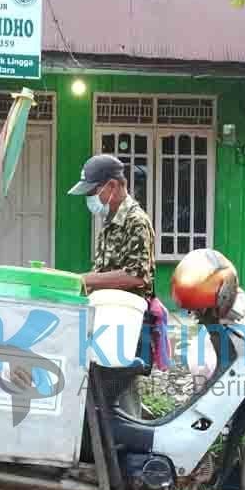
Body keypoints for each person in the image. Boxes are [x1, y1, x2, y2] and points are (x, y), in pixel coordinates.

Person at [67, 154, 156, 418]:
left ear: (113, 186)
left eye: (94, 191)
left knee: (123, 385)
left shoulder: (136, 222)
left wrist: (87, 280)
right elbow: (104, 272)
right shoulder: (109, 222)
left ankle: (135, 451)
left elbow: (138, 276)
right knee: (104, 387)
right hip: (107, 316)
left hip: (127, 320)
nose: (90, 199)